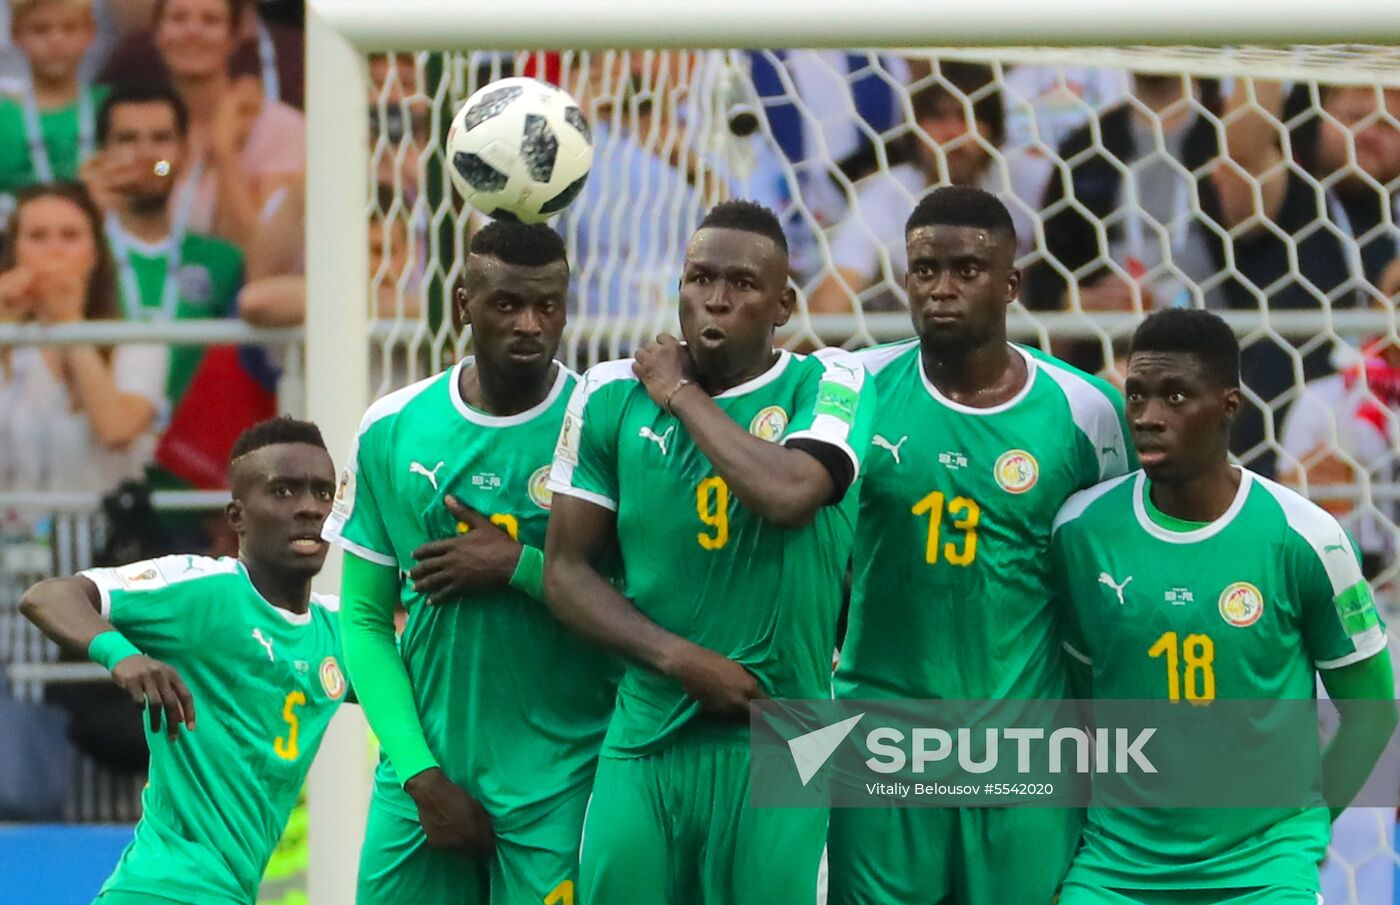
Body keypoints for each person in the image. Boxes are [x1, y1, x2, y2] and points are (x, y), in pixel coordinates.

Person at [544, 200, 875, 904]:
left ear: (784, 303)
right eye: (699, 278)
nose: (715, 299)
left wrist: (681, 393)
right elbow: (566, 572)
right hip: (649, 729)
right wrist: (680, 660)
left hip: (789, 737)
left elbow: (789, 493)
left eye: (742, 284)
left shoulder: (831, 382)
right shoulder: (608, 395)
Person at [826, 186, 1133, 904]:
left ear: (1010, 284)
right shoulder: (855, 384)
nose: (942, 288)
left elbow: (1120, 579)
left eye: (967, 269)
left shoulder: (1086, 411)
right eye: (925, 269)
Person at [1050, 308, 1397, 904]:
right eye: (1137, 396)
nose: (1149, 417)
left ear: (1229, 407)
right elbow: (1085, 695)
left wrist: (1305, 825)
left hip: (1262, 870)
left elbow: (1371, 709)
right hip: (1118, 867)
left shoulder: (1304, 537)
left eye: (1175, 396)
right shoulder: (1082, 531)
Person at [321, 221, 617, 905]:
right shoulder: (393, 426)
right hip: (423, 772)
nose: (529, 324)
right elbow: (363, 618)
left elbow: (632, 601)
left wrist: (515, 564)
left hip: (561, 775)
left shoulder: (602, 423)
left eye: (548, 306)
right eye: (507, 304)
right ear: (462, 304)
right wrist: (421, 776)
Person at [18, 415, 349, 905]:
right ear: (237, 516)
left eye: (322, 493)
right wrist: (123, 656)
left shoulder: (338, 632)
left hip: (227, 891)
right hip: (161, 889)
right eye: (284, 492)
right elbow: (48, 596)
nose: (309, 509)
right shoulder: (203, 589)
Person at [0, 182, 165, 502]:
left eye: (70, 236)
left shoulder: (138, 340)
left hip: (104, 538)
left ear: (94, 254)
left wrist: (69, 325)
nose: (54, 249)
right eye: (37, 237)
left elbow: (116, 430)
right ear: (15, 253)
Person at [82, 82, 243, 406]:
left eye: (161, 139)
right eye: (127, 140)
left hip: (191, 448)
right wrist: (87, 208)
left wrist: (225, 155)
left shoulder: (221, 259)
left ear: (184, 153)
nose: (146, 154)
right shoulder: (81, 254)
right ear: (101, 153)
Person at [808, 63, 1011, 315]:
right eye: (937, 117)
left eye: (966, 116)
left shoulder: (1017, 187)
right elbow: (837, 291)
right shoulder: (889, 191)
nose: (952, 133)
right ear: (914, 127)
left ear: (992, 128)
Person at [152, 0, 304, 250]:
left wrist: (224, 152)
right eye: (178, 19)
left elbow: (260, 249)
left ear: (234, 37)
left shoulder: (279, 127)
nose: (193, 31)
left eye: (210, 21)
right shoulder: (144, 125)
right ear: (158, 33)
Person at [0, 0, 109, 213]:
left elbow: (162, 167)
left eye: (69, 28)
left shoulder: (110, 106)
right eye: (40, 30)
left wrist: (158, 170)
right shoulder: (4, 116)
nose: (55, 41)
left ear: (91, 33)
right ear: (15, 35)